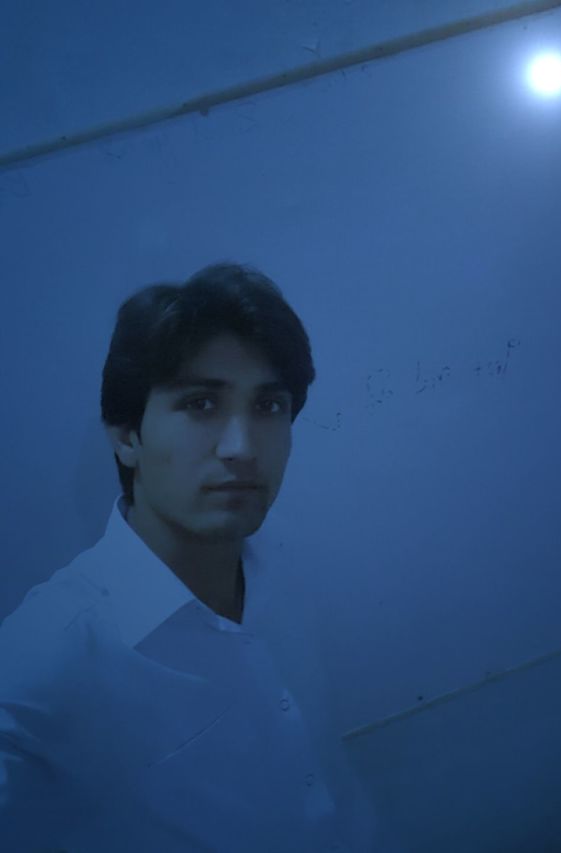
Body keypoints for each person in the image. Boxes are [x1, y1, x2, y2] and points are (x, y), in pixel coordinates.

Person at [0, 262, 378, 851]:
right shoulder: (47, 656)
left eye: (269, 406)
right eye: (201, 404)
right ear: (127, 436)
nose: (242, 448)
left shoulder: (285, 564)